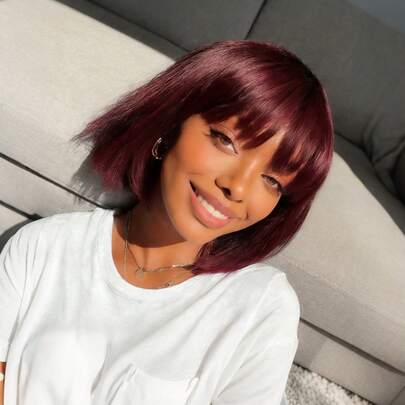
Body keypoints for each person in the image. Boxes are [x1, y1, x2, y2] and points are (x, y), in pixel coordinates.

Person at [0, 39, 334, 405]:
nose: (237, 187)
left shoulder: (260, 308)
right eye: (226, 141)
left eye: (272, 181)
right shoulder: (43, 249)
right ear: (172, 123)